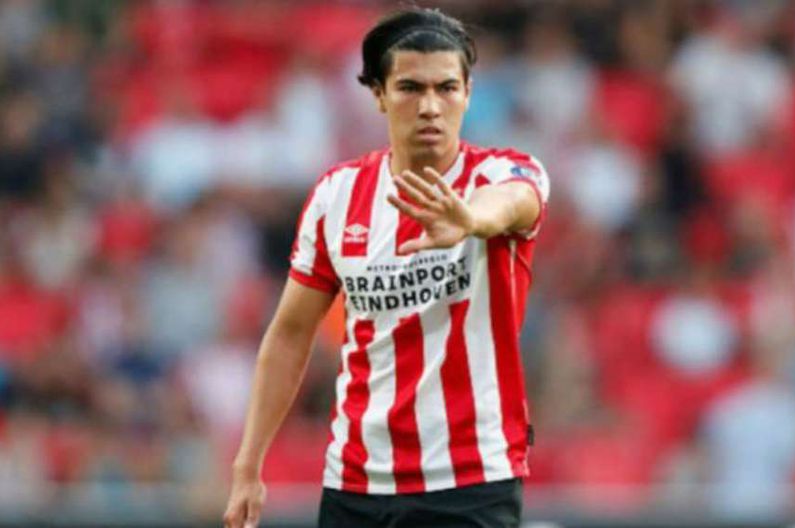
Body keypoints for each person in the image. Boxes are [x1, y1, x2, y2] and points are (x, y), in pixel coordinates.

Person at [223, 8, 550, 528]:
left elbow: (514, 202)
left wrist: (470, 219)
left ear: (468, 93)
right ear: (378, 94)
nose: (430, 106)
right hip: (356, 481)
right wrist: (248, 464)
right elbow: (290, 333)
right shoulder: (336, 196)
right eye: (410, 88)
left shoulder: (501, 174)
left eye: (446, 88)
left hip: (469, 480)